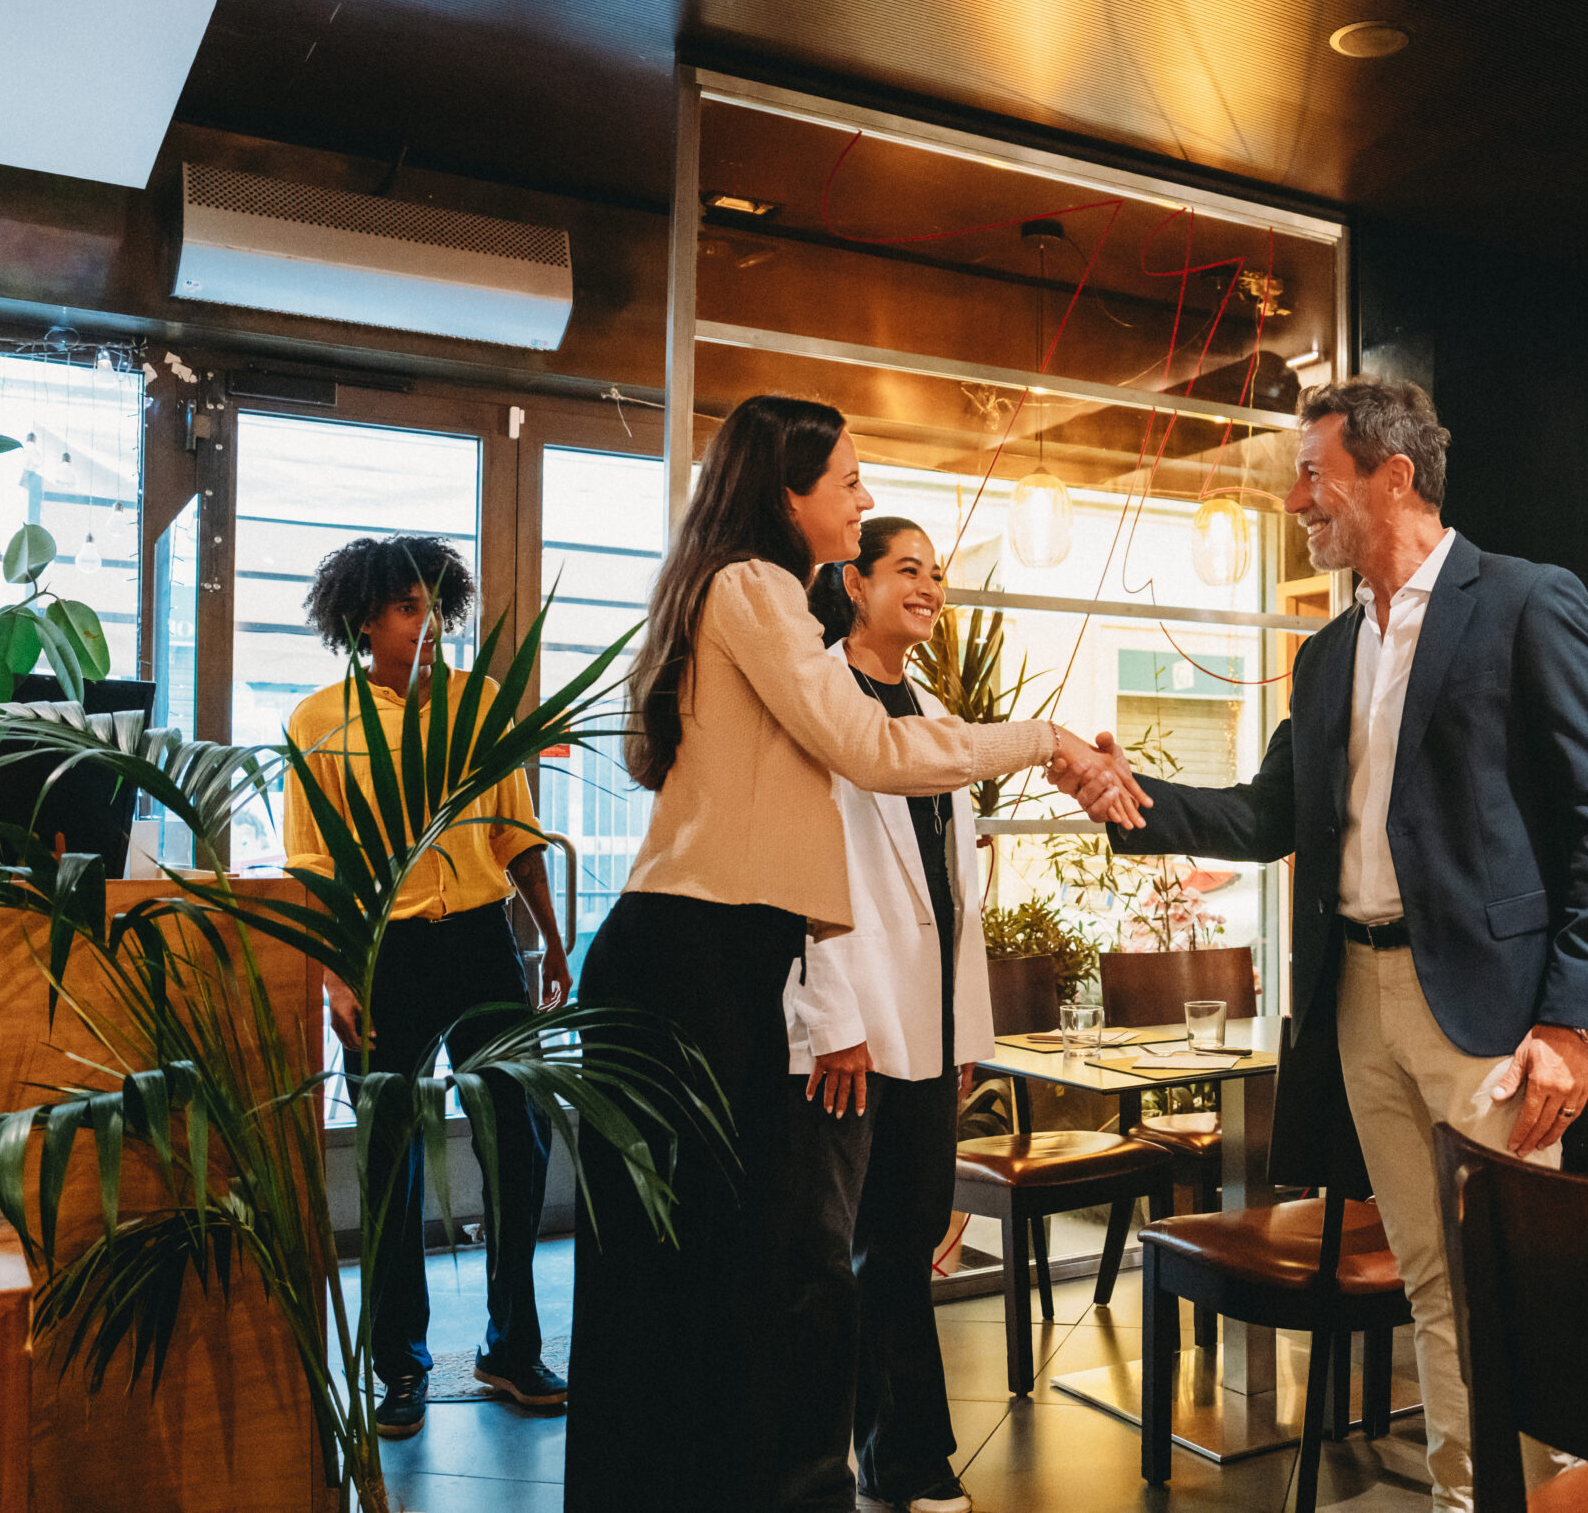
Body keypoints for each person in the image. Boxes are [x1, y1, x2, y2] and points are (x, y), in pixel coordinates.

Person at [1058, 378, 1588, 1512]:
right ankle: (1466, 1501)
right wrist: (1130, 795)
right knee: (1433, 1285)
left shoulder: (1528, 602)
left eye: (1313, 474)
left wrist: (1573, 1019)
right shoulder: (1326, 655)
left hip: (1492, 1016)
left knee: (1504, 1288)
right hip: (1359, 1006)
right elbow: (1265, 816)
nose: (1296, 500)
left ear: (1393, 475)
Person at [563, 395, 1145, 1513]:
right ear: (787, 492)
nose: (864, 497)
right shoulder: (752, 587)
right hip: (691, 957)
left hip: (721, 953)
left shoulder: (743, 593)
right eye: (848, 481)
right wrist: (1045, 739)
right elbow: (869, 747)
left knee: (725, 1275)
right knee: (720, 1272)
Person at [282, 534, 572, 1442]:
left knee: (518, 1143)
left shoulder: (480, 702)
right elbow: (312, 865)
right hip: (382, 951)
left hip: (483, 941)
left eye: (437, 606)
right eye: (408, 607)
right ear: (364, 619)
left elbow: (515, 830)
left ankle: (510, 1346)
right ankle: (399, 1364)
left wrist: (552, 941)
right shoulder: (317, 719)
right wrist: (332, 973)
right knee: (391, 1158)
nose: (431, 624)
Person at [783, 517, 988, 1513]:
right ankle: (901, 1458)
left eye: (936, 574)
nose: (928, 586)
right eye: (906, 569)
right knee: (858, 1250)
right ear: (852, 584)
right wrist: (830, 1015)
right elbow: (796, 873)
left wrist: (965, 1039)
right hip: (853, 1023)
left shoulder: (935, 711)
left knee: (902, 1240)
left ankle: (890, 1449)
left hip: (926, 1021)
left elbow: (958, 899)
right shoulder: (818, 696)